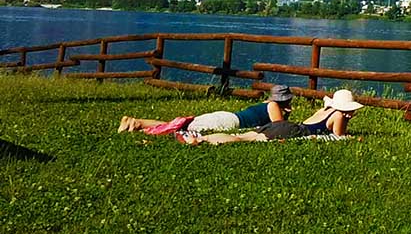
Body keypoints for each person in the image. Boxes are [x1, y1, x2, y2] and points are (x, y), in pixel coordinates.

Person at [183, 89, 363, 145]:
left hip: (287, 126)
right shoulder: (339, 115)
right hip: (291, 130)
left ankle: (201, 137)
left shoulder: (324, 111)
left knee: (246, 136)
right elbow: (339, 136)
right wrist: (352, 136)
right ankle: (202, 140)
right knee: (242, 139)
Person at [118, 85, 294, 134]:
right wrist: (287, 116)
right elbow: (279, 128)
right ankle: (137, 125)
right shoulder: (273, 106)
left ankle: (137, 122)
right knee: (181, 129)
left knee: (181, 125)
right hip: (228, 122)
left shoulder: (266, 104)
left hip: (226, 117)